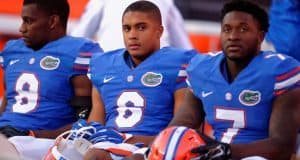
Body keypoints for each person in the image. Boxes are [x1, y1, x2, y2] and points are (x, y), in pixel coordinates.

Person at [147, 0, 299, 160]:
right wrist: (158, 147)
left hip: (255, 156)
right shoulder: (202, 68)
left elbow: (282, 146)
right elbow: (184, 121)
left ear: (260, 36)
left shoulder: (280, 71)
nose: (233, 36)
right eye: (227, 29)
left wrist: (226, 150)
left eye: (243, 29)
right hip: (213, 153)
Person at [82, 1, 196, 159]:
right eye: (127, 28)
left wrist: (127, 140)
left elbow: (178, 132)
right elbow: (95, 123)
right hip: (107, 148)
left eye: (141, 27)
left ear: (159, 31)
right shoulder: (103, 64)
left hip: (153, 149)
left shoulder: (177, 63)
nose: (132, 35)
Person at [0, 0, 102, 158]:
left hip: (44, 140)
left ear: (53, 21)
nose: (22, 29)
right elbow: (8, 101)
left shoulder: (80, 51)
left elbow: (86, 119)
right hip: (7, 135)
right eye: (22, 20)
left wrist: (36, 134)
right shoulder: (12, 50)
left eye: (29, 21)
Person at [70, 0, 193, 52]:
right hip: (111, 67)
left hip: (154, 69)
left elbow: (77, 38)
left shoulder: (166, 2)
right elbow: (185, 48)